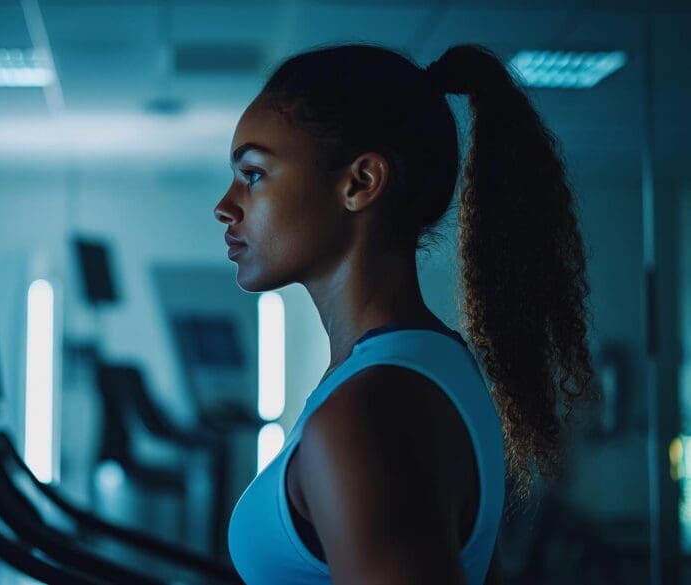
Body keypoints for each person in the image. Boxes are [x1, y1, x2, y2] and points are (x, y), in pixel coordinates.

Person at [216, 44, 595, 584]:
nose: (224, 206)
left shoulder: (369, 413)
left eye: (253, 174)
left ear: (360, 182)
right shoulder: (417, 370)